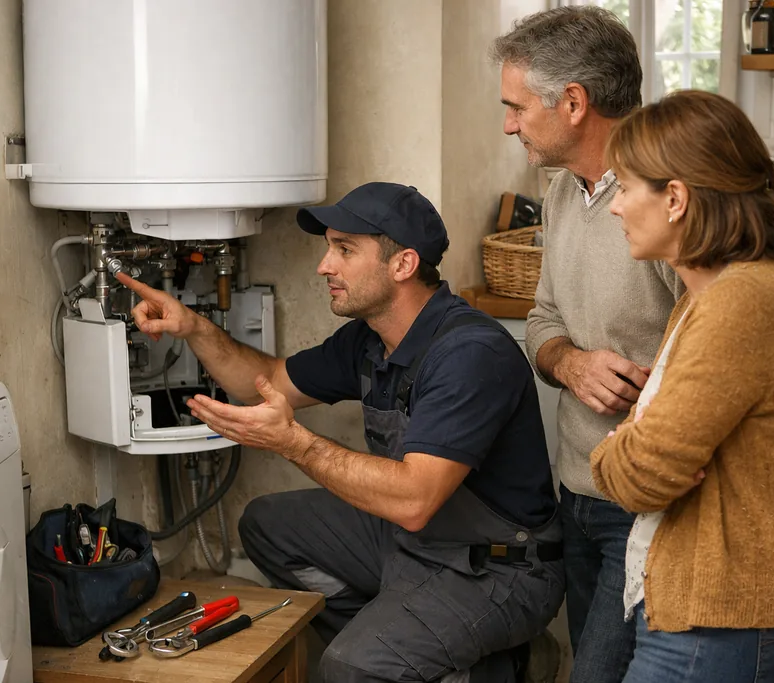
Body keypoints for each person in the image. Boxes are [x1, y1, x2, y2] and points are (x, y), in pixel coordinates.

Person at [116, 182, 564, 683]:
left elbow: (414, 500)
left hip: (497, 567)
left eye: (344, 250)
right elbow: (267, 380)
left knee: (350, 666)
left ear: (403, 264)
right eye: (329, 247)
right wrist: (194, 328)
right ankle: (406, 644)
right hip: (415, 541)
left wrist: (294, 442)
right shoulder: (370, 339)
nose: (324, 266)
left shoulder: (469, 353)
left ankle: (501, 668)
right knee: (267, 526)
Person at [589, 89, 774, 683]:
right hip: (710, 619)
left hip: (723, 623)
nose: (615, 207)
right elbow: (653, 454)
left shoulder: (742, 302)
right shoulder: (708, 296)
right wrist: (635, 444)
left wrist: (615, 451)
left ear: (675, 199)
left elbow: (646, 473)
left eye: (625, 188)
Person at [490, 7, 682, 682]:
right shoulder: (562, 192)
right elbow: (543, 319)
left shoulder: (667, 197)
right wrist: (569, 363)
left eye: (516, 107)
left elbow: (717, 344)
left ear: (573, 103)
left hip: (651, 503)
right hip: (576, 490)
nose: (509, 124)